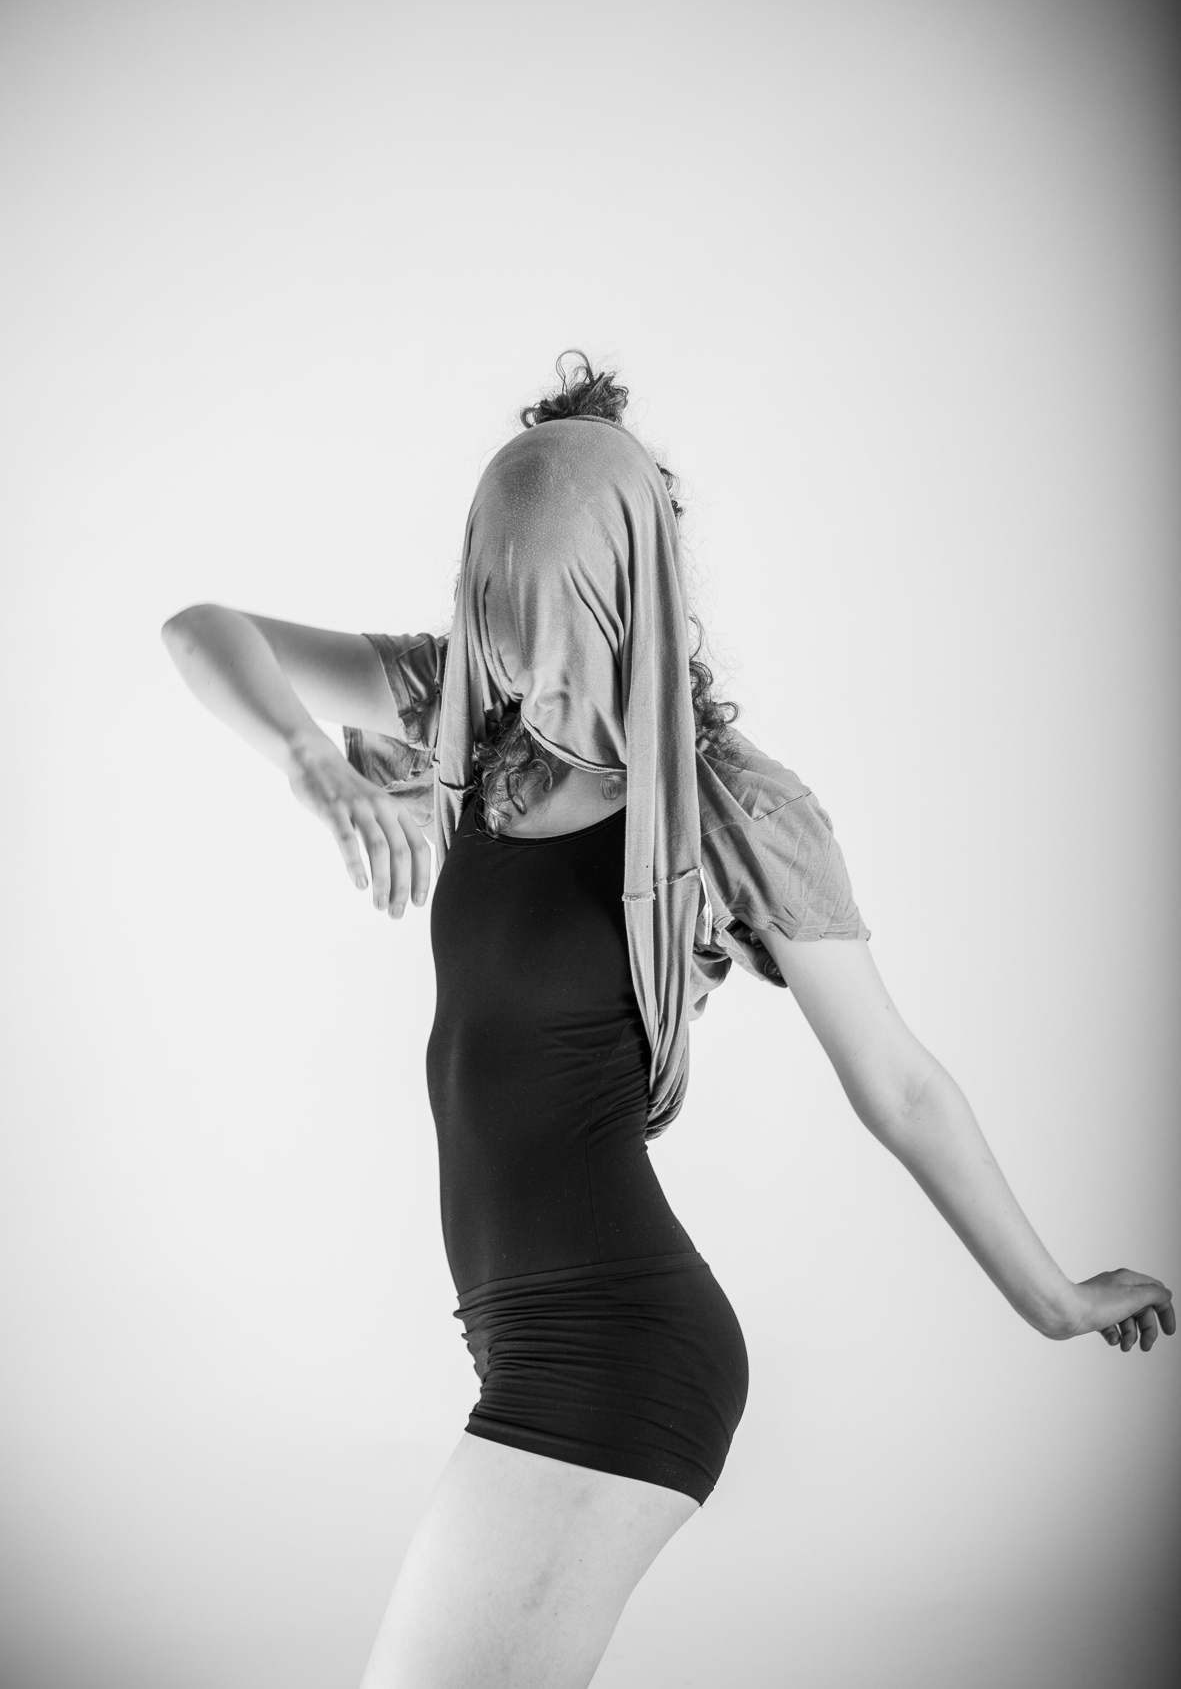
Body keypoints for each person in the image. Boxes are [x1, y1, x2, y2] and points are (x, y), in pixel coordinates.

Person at [161, 352, 1174, 1689]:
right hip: (517, 1335)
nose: (513, 651)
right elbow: (201, 630)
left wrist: (1051, 1299)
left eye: (548, 613)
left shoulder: (729, 807)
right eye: (493, 604)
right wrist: (305, 754)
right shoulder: (465, 723)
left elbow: (899, 1082)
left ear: (626, 592)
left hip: (616, 1349)